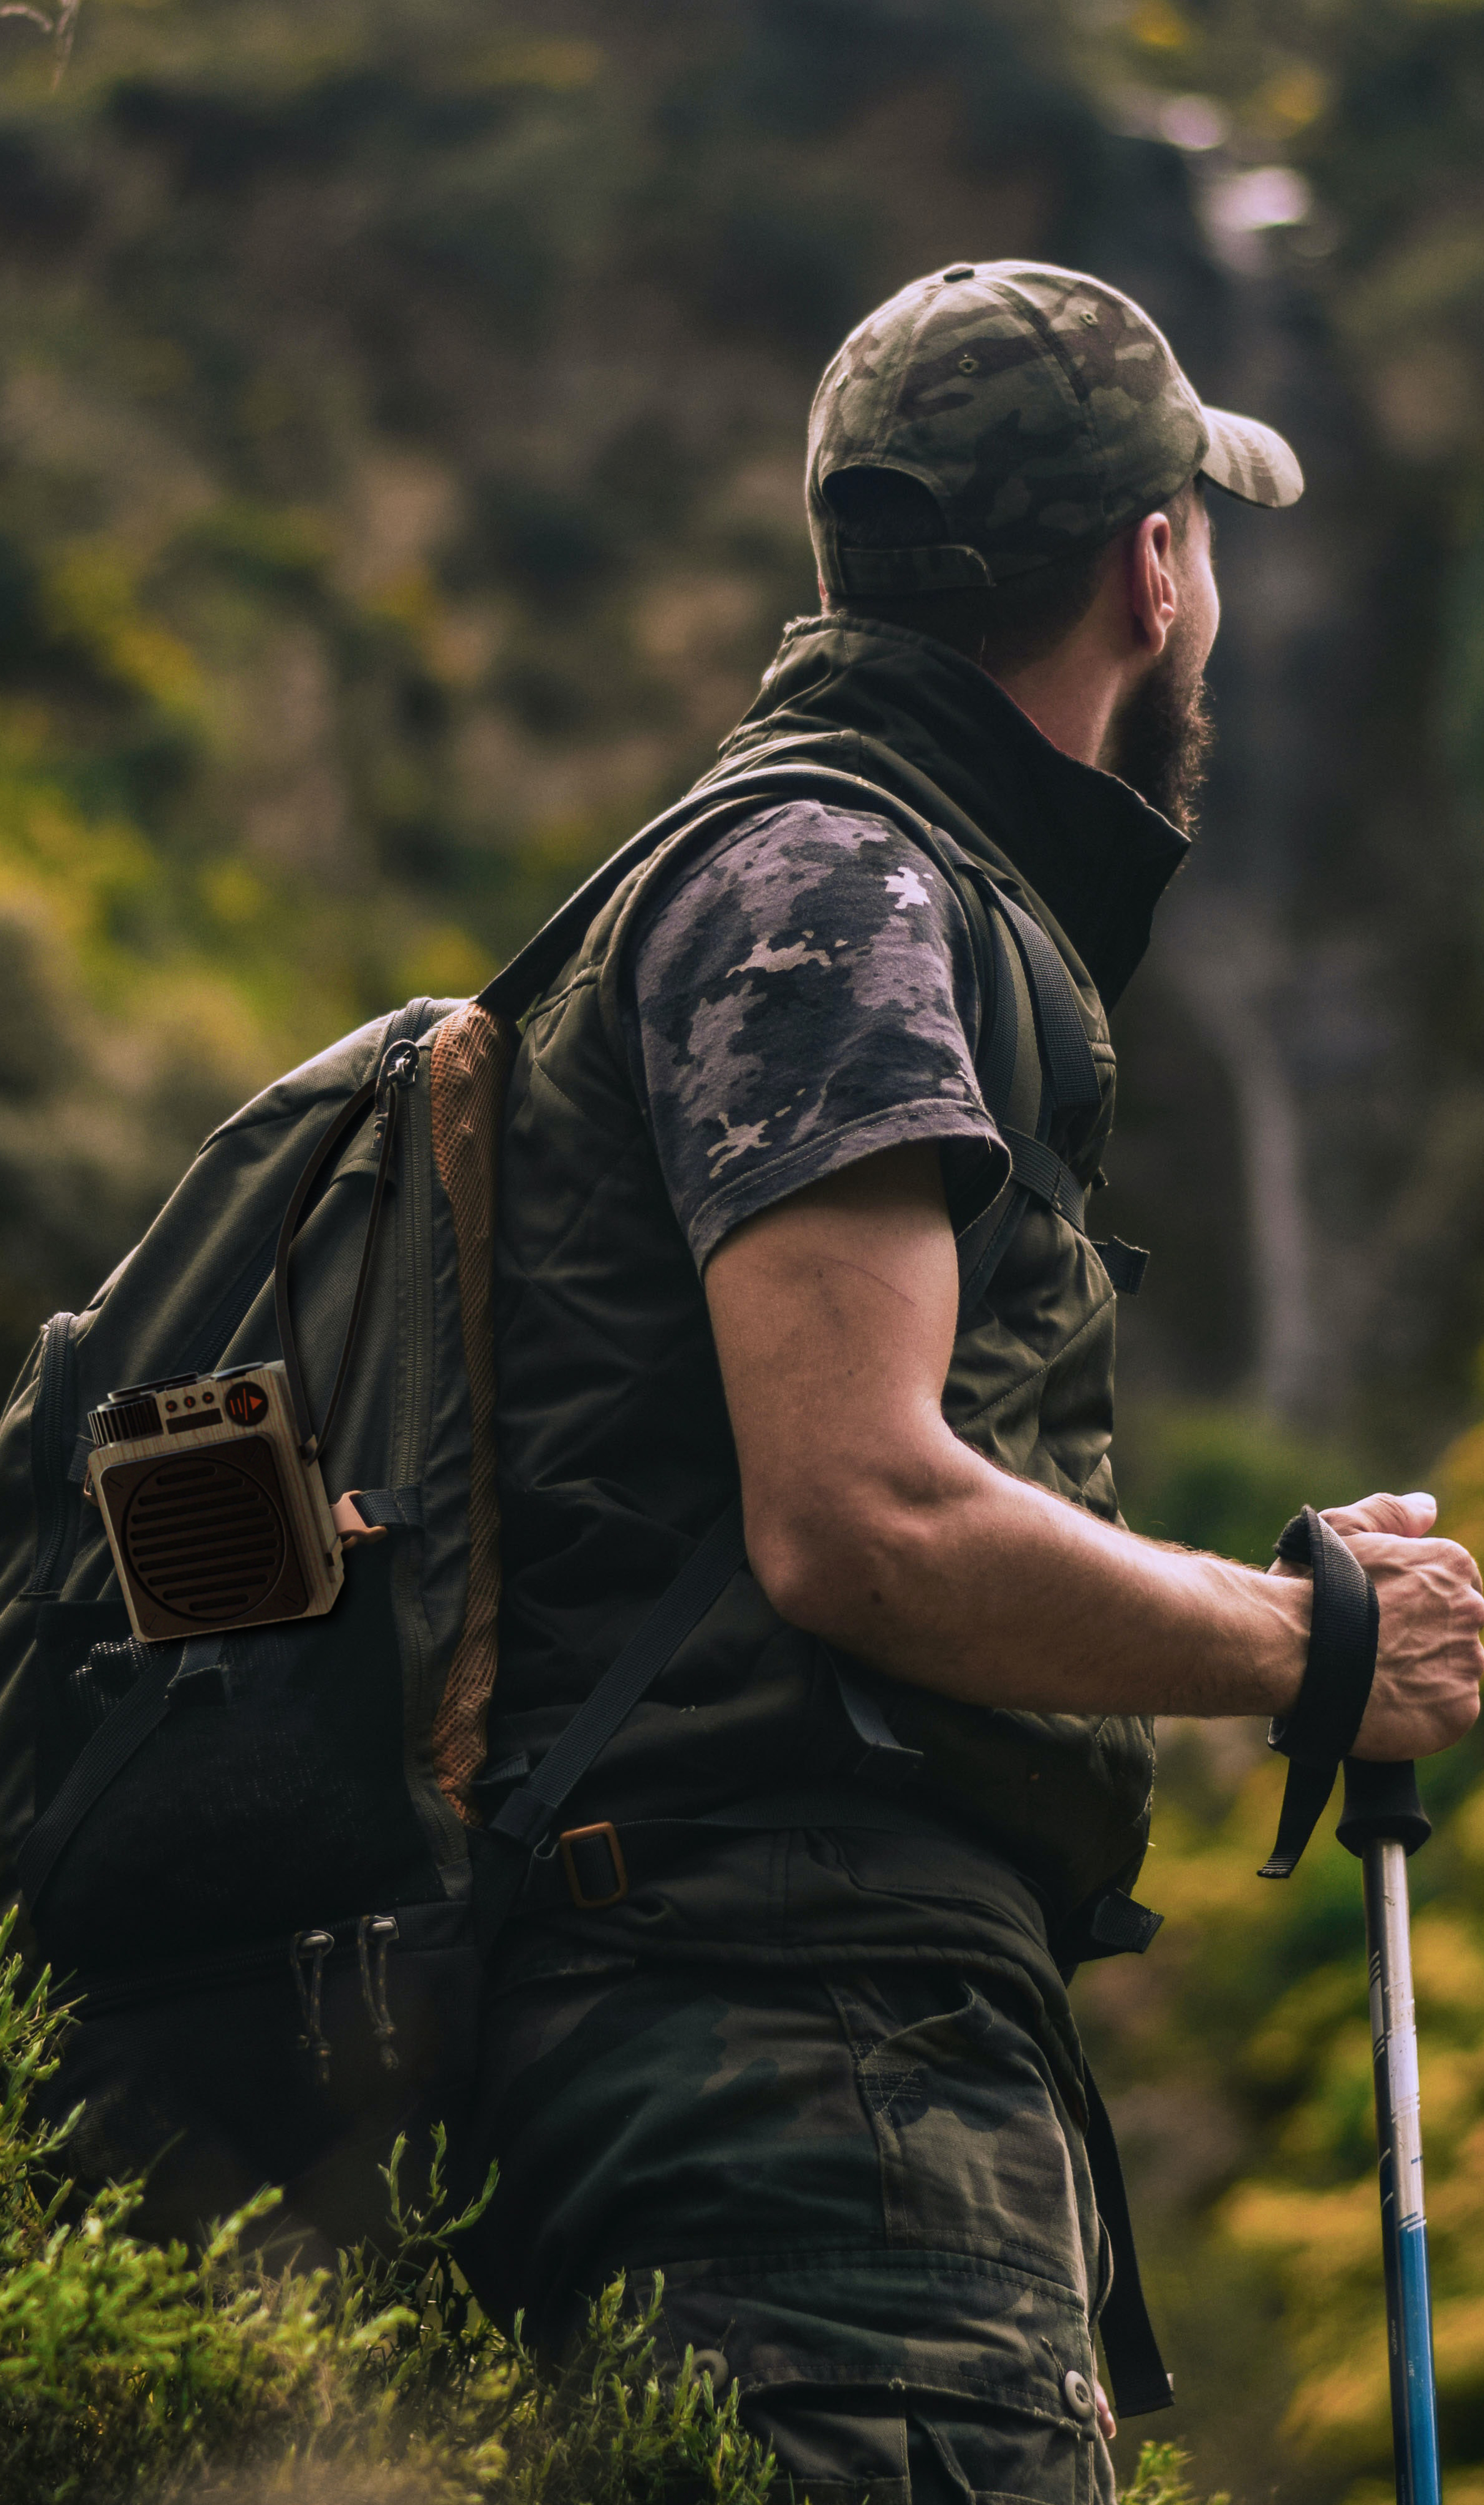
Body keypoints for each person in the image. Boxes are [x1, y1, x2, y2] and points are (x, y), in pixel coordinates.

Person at [460, 261, 1484, 2505]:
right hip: (799, 2098)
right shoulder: (839, 887)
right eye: (1197, 549)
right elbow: (857, 1518)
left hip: (773, 2060)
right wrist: (1311, 1641)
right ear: (1153, 571)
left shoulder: (822, 866)